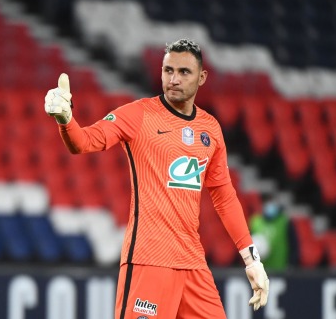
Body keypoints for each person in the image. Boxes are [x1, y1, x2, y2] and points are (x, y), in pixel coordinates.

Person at [44, 39, 269, 318]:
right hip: (148, 260)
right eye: (168, 70)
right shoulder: (139, 114)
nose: (173, 79)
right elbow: (85, 141)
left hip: (192, 263)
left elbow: (224, 195)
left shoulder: (210, 128)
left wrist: (251, 259)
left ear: (202, 77)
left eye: (184, 72)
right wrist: (66, 119)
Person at [249, 194, 299, 271]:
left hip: (280, 270)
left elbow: (294, 245)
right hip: (260, 271)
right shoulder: (256, 221)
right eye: (267, 202)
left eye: (272, 202)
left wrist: (291, 264)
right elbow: (248, 245)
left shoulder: (284, 221)